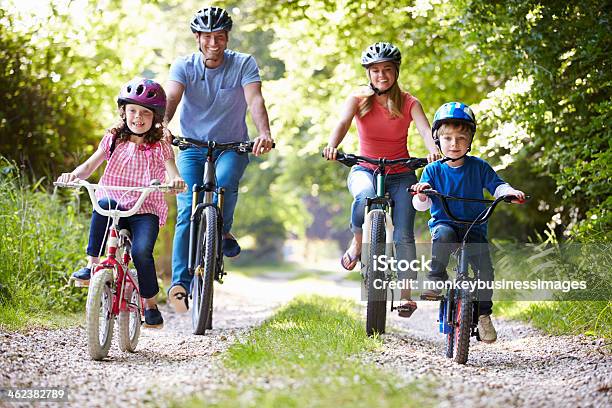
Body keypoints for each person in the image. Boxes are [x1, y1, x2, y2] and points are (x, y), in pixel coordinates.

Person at [164, 6, 274, 312]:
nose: (214, 43)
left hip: (232, 145)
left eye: (220, 37)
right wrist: (163, 125)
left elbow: (255, 99)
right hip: (192, 146)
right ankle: (180, 285)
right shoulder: (183, 66)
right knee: (187, 207)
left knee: (225, 183)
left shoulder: (243, 64)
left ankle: (221, 228)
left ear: (227, 38)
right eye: (208, 37)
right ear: (197, 38)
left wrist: (263, 133)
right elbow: (172, 97)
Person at [323, 42, 440, 318]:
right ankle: (358, 240)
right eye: (375, 70)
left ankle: (406, 296)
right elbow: (341, 123)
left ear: (396, 72)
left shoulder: (410, 102)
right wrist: (332, 145)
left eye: (387, 69)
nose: (381, 75)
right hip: (365, 168)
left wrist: (433, 148)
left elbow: (425, 129)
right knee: (363, 196)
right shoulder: (359, 99)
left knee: (403, 233)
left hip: (401, 175)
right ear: (368, 74)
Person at [56, 78, 186, 328]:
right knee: (101, 203)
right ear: (123, 112)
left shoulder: (160, 145)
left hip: (144, 208)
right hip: (114, 203)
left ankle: (150, 304)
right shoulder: (114, 138)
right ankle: (92, 266)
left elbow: (172, 171)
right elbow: (90, 165)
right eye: (133, 111)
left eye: (145, 113)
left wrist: (176, 181)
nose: (138, 117)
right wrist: (73, 175)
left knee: (140, 252)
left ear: (155, 117)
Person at [411, 101, 526, 343]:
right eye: (448, 138)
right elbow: (421, 205)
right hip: (446, 224)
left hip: (475, 227)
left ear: (470, 139)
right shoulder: (432, 170)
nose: (454, 144)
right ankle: (436, 278)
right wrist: (422, 192)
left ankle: (484, 315)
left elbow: (497, 185)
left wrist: (509, 192)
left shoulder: (479, 167)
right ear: (438, 140)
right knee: (442, 235)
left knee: (485, 270)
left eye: (461, 138)